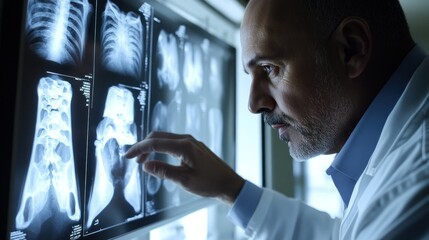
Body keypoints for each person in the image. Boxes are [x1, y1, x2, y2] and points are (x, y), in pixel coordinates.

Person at [125, 0, 429, 238]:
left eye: (270, 68)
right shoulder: (403, 151)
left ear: (351, 49)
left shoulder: (419, 173)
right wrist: (230, 189)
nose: (254, 105)